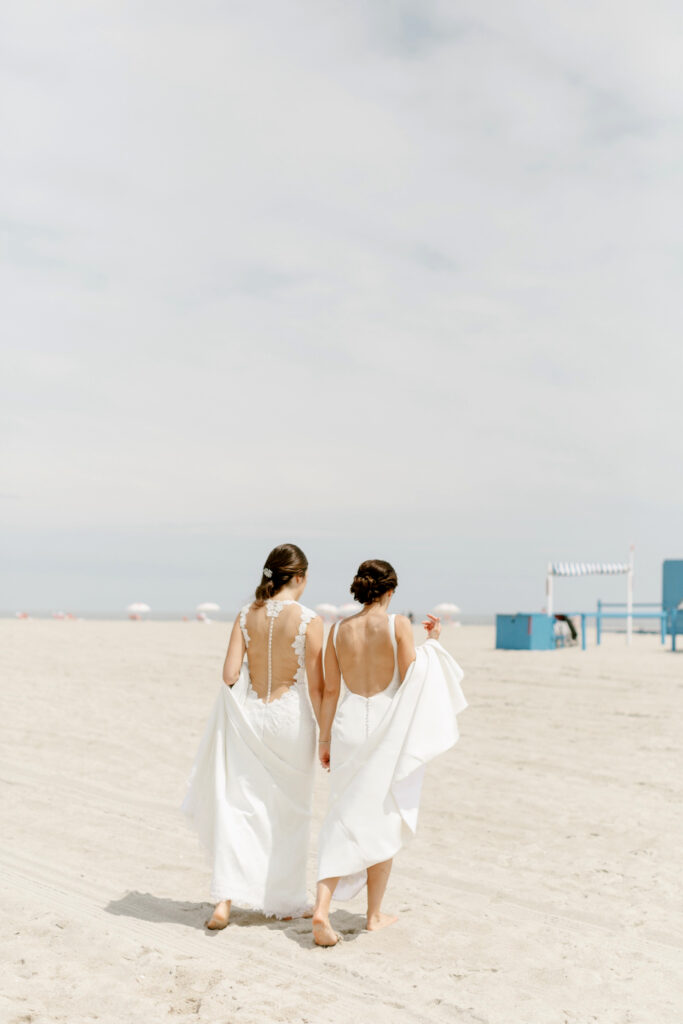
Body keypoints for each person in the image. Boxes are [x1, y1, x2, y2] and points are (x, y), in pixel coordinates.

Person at [313, 559, 466, 947]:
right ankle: (373, 914)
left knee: (341, 814)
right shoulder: (398, 624)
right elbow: (415, 679)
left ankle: (321, 907)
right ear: (391, 590)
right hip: (386, 724)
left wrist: (325, 740)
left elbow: (331, 690)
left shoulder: (337, 631)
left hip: (347, 724)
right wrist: (434, 643)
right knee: (383, 817)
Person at [182, 543, 324, 928]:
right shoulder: (310, 620)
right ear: (299, 577)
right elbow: (317, 686)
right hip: (291, 719)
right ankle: (287, 900)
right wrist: (326, 734)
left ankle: (224, 901)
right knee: (290, 811)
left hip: (250, 717)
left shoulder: (246, 615)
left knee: (241, 805)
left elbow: (229, 675)